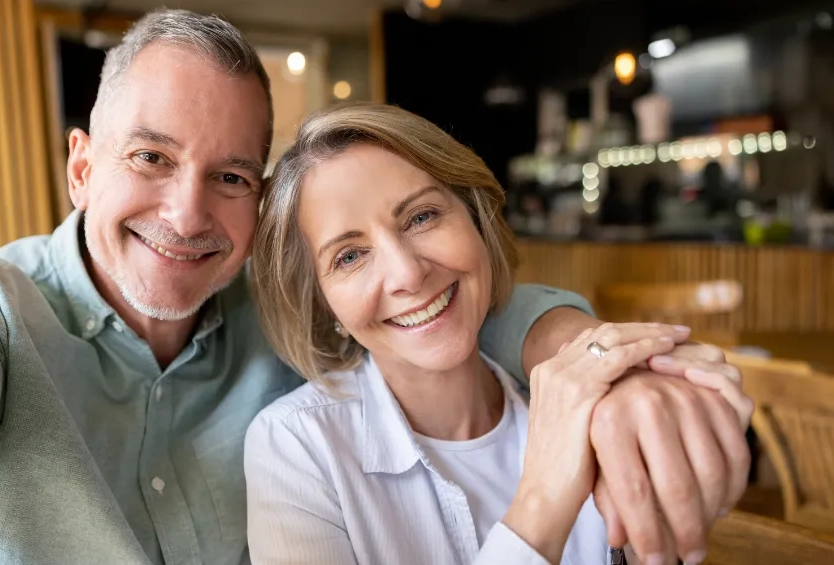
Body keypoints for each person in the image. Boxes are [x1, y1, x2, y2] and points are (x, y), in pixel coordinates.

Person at [0, 9, 749, 565]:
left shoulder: (278, 309)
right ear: (81, 167)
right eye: (150, 157)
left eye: (230, 175)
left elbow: (452, 317)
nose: (187, 213)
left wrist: (585, 357)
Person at [244, 104, 753, 565]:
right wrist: (544, 498)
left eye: (422, 216)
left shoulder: (593, 402)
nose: (406, 274)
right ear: (323, 300)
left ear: (477, 222)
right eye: (349, 256)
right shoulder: (295, 446)